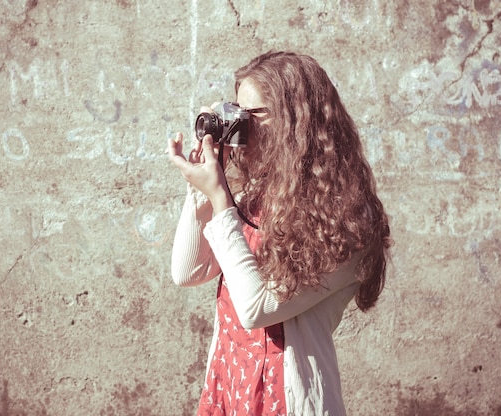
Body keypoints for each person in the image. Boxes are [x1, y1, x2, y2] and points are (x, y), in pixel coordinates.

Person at [167, 51, 392, 416]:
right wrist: (202, 190)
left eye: (255, 115)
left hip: (285, 402)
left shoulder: (348, 221)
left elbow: (257, 308)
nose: (244, 127)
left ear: (299, 121)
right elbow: (186, 273)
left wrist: (221, 199)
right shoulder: (255, 198)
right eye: (240, 114)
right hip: (229, 387)